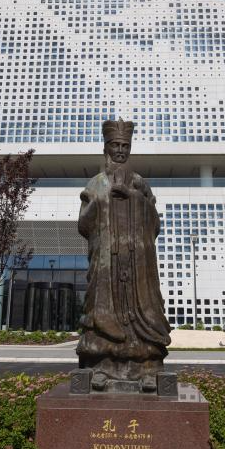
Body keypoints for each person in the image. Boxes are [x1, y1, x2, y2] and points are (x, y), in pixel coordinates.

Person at [76, 119, 171, 391]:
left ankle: (147, 369)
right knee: (104, 311)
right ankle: (101, 367)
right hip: (108, 260)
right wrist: (103, 200)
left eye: (124, 146)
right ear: (105, 147)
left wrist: (134, 197)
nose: (120, 150)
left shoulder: (140, 183)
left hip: (137, 260)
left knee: (143, 311)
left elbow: (154, 223)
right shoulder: (96, 184)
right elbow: (83, 225)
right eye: (115, 145)